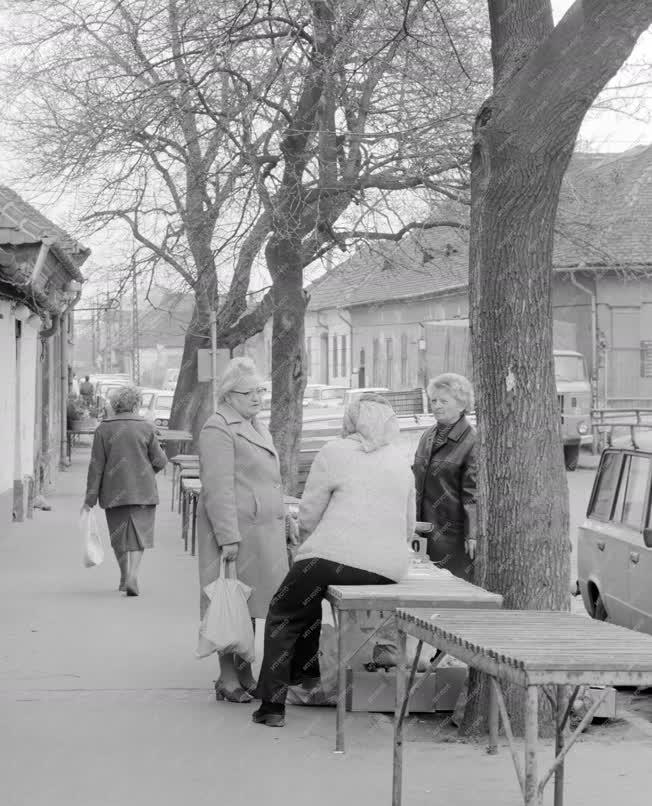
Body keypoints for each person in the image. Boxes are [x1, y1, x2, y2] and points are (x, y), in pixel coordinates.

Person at [253, 392, 415, 728]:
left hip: (330, 557)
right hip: (388, 568)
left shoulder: (334, 451)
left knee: (284, 610)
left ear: (351, 421)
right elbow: (409, 526)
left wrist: (304, 533)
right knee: (306, 600)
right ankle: (305, 671)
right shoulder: (401, 462)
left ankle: (273, 704)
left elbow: (310, 514)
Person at [197, 358, 288, 704]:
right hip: (236, 533)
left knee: (250, 603)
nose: (257, 397)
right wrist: (227, 537)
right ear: (228, 395)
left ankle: (245, 671)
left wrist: (285, 516)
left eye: (260, 390)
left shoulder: (256, 425)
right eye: (248, 392)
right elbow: (217, 487)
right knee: (229, 600)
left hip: (262, 531)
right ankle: (227, 677)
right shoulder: (219, 428)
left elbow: (270, 479)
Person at [82, 385, 167, 596]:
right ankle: (133, 575)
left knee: (119, 536)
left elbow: (96, 466)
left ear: (115, 405)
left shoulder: (103, 429)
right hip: (143, 492)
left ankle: (123, 575)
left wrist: (90, 499)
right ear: (137, 404)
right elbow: (160, 460)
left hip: (114, 492)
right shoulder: (146, 428)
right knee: (139, 536)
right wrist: (147, 472)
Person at [412, 373, 477, 581]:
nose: (436, 406)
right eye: (433, 400)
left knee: (452, 592)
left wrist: (472, 534)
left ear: (461, 404)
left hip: (452, 537)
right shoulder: (427, 435)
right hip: (422, 533)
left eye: (443, 401)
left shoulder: (471, 441)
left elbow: (473, 493)